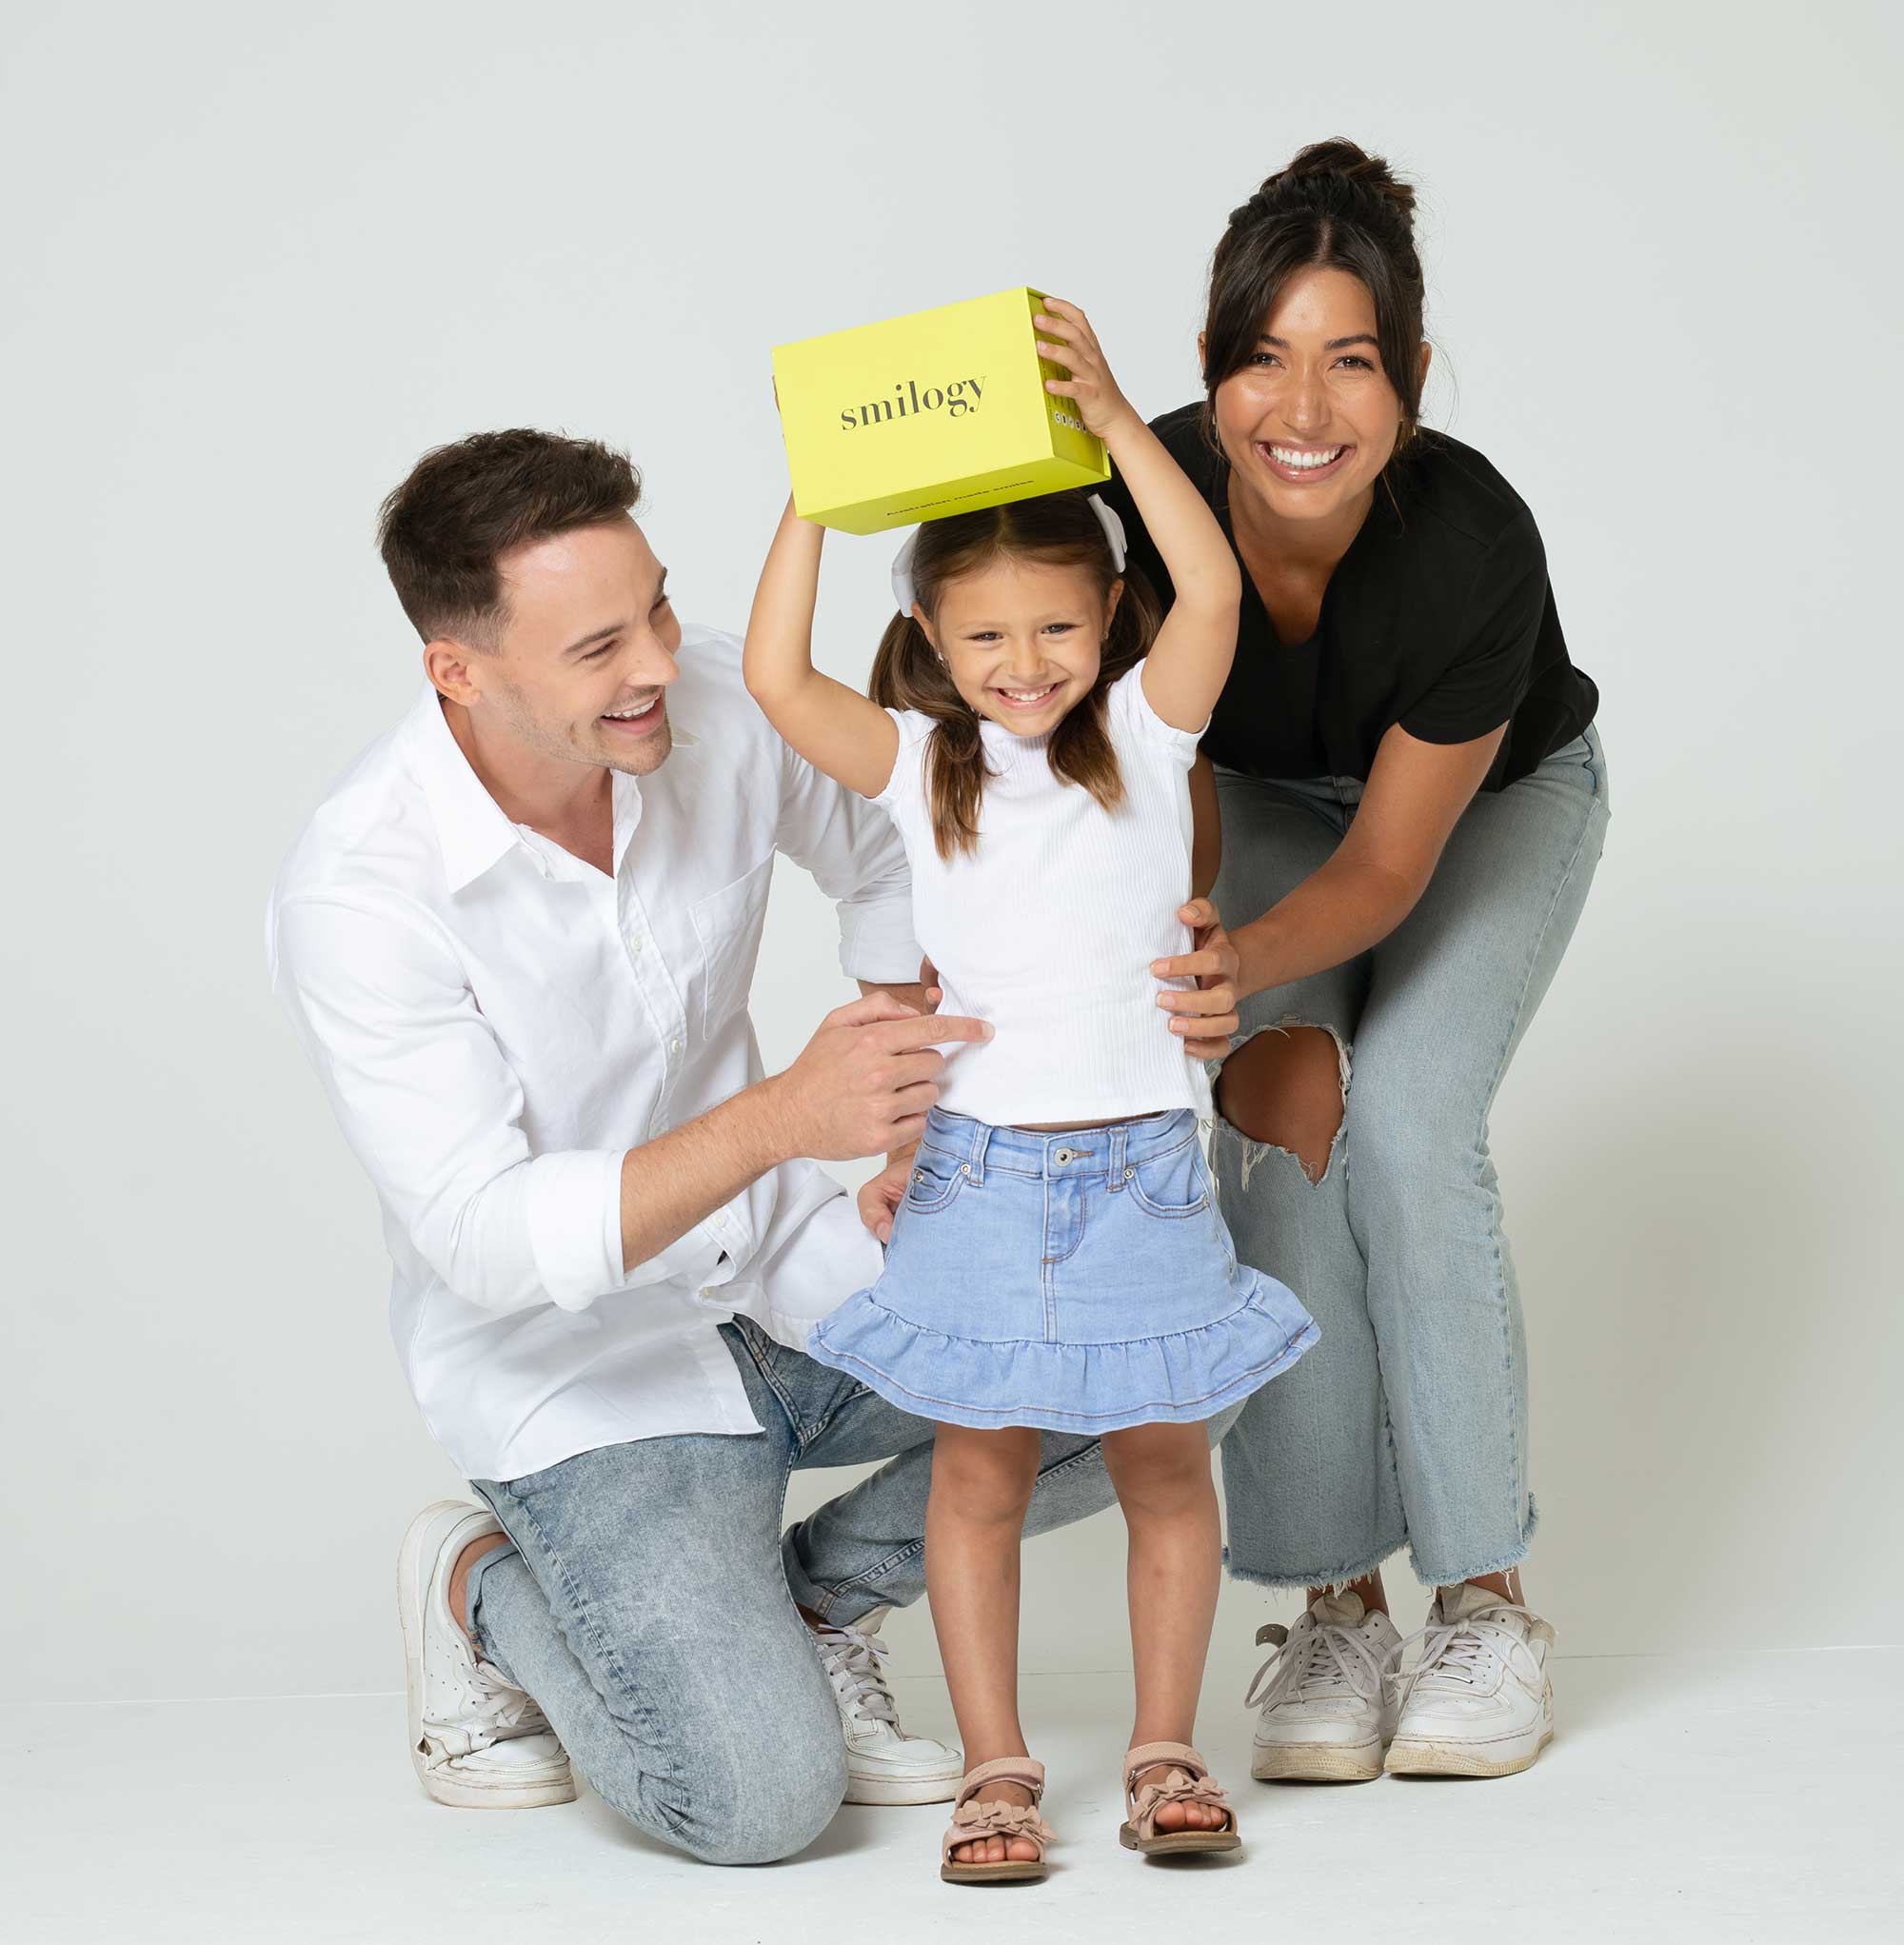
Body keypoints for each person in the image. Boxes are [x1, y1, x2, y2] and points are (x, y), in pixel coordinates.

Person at [267, 429, 1236, 1865]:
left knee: (1151, 1366)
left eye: (657, 605)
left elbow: (906, 845)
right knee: (756, 1803)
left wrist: (944, 1085)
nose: (659, 660)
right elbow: (481, 1238)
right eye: (599, 645)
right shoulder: (362, 892)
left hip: (790, 1273)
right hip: (584, 1376)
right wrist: (785, 1116)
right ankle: (479, 1581)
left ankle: (811, 1600)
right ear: (458, 672)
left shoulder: (701, 696)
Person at [743, 301, 1317, 1882]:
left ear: (1107, 620)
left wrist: (1126, 423)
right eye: (984, 637)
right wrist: (822, 489)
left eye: (1057, 629)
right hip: (979, 1179)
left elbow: (1208, 584)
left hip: (1138, 1172)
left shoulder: (1146, 727)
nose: (1023, 664)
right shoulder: (922, 764)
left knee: (1161, 1466)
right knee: (980, 1472)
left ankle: (1162, 1747)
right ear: (931, 636)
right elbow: (774, 674)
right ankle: (998, 1766)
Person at [1098, 140, 1607, 1782]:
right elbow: (1146, 760)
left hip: (1486, 807)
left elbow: (1389, 866)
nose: (1300, 407)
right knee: (1290, 1124)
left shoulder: (1471, 546)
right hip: (1257, 800)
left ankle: (1486, 1601)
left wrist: (1235, 963)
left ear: (1411, 382)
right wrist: (1206, 967)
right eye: (1262, 356)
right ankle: (1337, 1608)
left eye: (1351, 361)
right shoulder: (1142, 505)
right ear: (1207, 370)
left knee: (1403, 1124)